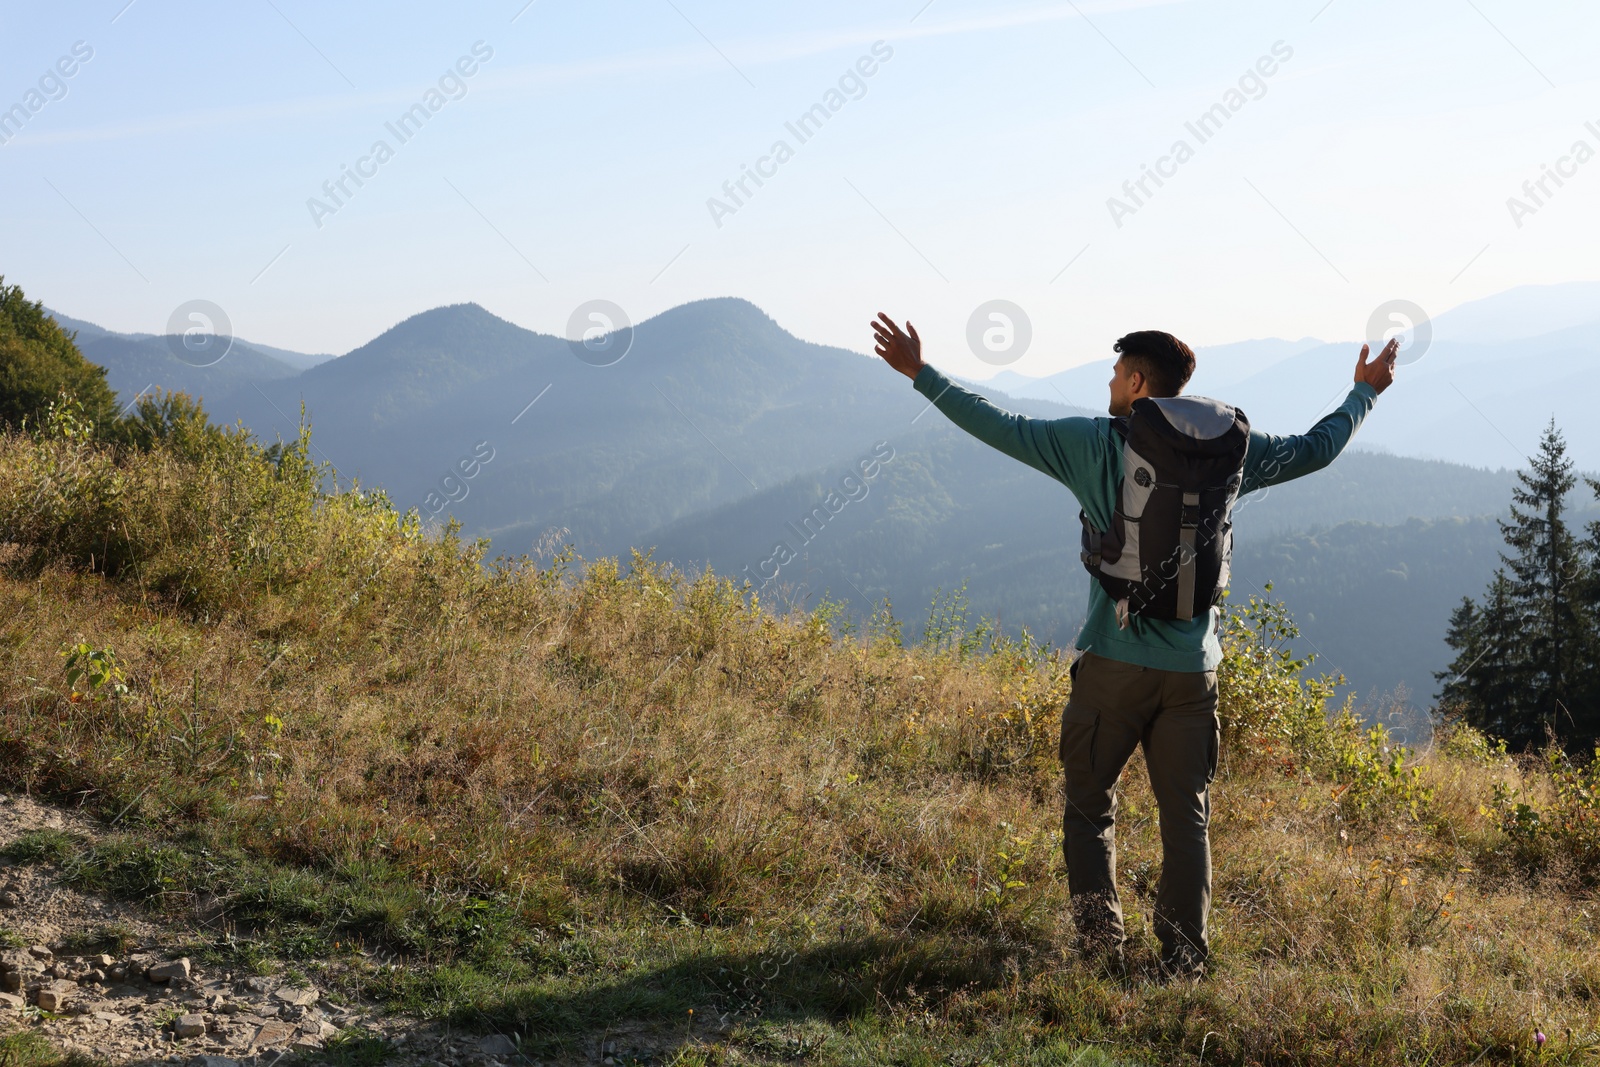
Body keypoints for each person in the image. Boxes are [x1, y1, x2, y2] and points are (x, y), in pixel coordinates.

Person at [870, 313, 1398, 980]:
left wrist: (921, 374)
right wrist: (1365, 391)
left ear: (1140, 382)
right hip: (1193, 673)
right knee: (1188, 821)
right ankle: (1183, 961)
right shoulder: (1232, 449)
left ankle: (1099, 946)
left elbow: (999, 426)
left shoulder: (1095, 444)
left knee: (1090, 805)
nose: (1110, 383)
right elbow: (1317, 448)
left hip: (1114, 665)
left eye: (1117, 373)